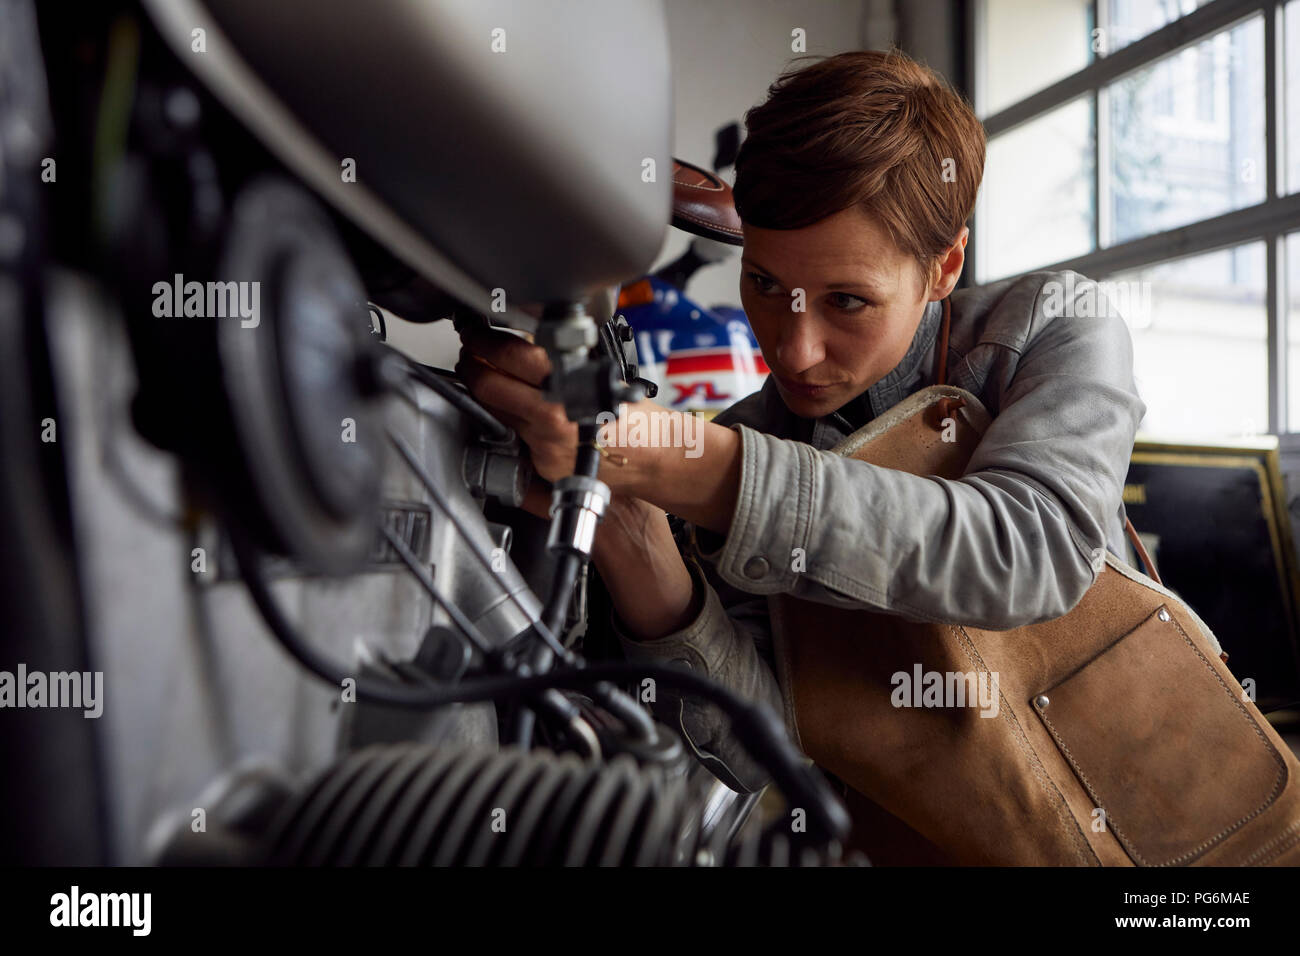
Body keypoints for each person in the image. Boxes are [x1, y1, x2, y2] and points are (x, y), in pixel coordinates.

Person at [457, 49, 1146, 793]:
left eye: (847, 301)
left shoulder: (1050, 328)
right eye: (763, 282)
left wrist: (672, 456)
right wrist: (637, 538)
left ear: (944, 269)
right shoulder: (749, 441)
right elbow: (763, 756)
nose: (793, 348)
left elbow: (1032, 552)